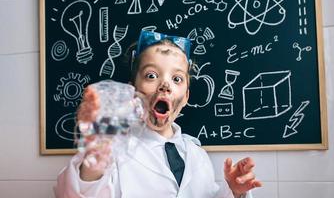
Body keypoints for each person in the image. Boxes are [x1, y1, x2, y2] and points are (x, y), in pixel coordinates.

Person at [55, 30, 262, 198]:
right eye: (151, 75)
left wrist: (235, 193)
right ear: (133, 90)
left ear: (186, 96)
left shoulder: (198, 155)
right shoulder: (113, 147)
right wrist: (96, 158)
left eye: (177, 79)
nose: (165, 85)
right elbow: (72, 194)